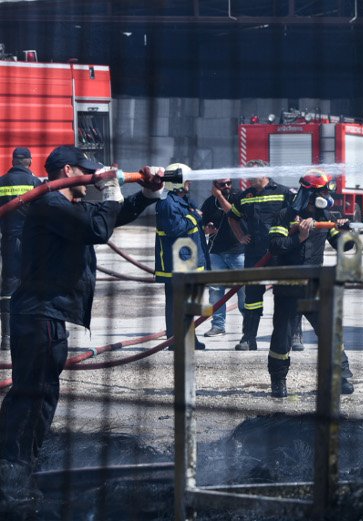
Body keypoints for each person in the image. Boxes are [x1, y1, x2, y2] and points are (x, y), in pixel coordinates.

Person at [0, 145, 164, 515]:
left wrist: (148, 194)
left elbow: (108, 217)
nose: (90, 181)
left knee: (39, 397)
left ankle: (18, 467)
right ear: (70, 171)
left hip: (45, 316)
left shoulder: (63, 207)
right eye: (86, 174)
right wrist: (110, 190)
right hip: (40, 316)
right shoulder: (49, 205)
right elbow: (97, 227)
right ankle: (13, 476)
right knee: (33, 398)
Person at [267, 169, 354, 398]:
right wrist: (300, 237)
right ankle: (278, 382)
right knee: (282, 338)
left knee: (330, 332)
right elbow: (275, 245)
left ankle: (342, 377)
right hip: (288, 286)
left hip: (315, 287)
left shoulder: (327, 217)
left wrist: (345, 232)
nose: (327, 195)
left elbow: (344, 247)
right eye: (324, 191)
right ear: (311, 193)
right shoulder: (285, 216)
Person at [227, 162, 294, 352]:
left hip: (280, 252)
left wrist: (291, 239)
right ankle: (249, 338)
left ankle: (293, 336)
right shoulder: (245, 196)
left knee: (288, 293)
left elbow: (297, 216)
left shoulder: (283, 192)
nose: (248, 177)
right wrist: (240, 236)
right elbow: (232, 216)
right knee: (252, 296)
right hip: (254, 253)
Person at [154, 164, 207, 350]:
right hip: (176, 262)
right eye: (187, 179)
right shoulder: (168, 203)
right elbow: (174, 228)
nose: (190, 183)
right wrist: (195, 218)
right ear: (176, 182)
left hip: (187, 259)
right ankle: (175, 340)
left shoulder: (182, 200)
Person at [0, 148, 42, 351]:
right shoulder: (36, 183)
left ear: (13, 161)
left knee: (8, 288)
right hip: (32, 243)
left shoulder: (1, 182)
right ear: (30, 162)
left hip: (8, 241)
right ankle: (34, 333)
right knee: (35, 285)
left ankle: (6, 338)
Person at [200, 178, 245, 337]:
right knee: (216, 290)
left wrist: (219, 196)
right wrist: (208, 229)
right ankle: (218, 325)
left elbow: (232, 212)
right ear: (214, 185)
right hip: (216, 252)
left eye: (229, 183)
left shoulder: (238, 196)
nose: (227, 186)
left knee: (244, 290)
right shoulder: (208, 203)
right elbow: (203, 228)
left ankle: (249, 326)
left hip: (238, 251)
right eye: (222, 184)